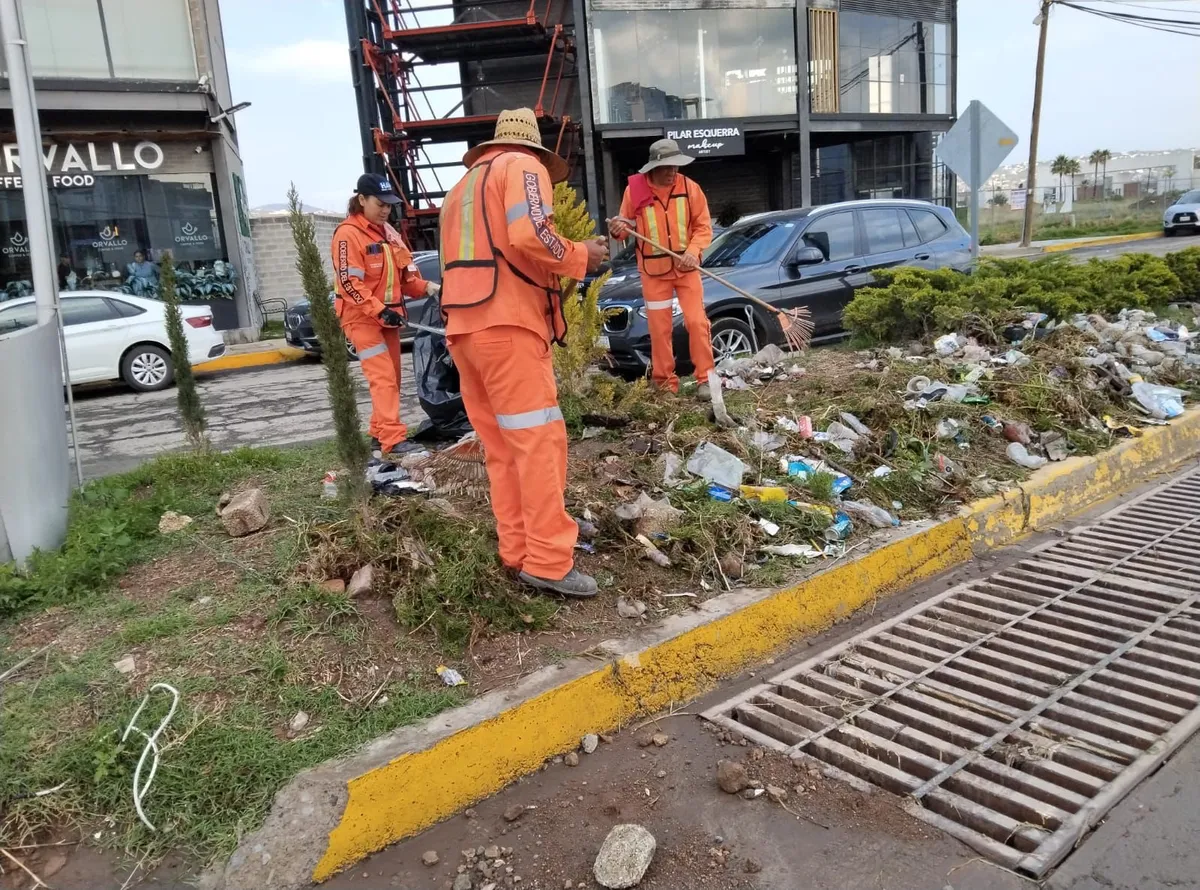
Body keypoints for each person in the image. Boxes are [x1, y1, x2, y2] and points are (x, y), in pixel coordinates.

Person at [438, 108, 608, 598]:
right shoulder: (523, 167)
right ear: (532, 148)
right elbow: (529, 233)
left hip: (465, 331)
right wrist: (581, 255)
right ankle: (551, 563)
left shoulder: (462, 189)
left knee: (503, 449)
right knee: (539, 445)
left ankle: (517, 553)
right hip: (507, 325)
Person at [331, 172, 439, 458]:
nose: (386, 210)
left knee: (391, 379)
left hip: (387, 318)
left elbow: (406, 280)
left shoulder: (388, 234)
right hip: (362, 318)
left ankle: (379, 434)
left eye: (389, 205)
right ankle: (393, 440)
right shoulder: (348, 234)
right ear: (361, 199)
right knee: (383, 379)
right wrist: (380, 310)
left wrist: (432, 288)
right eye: (380, 204)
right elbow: (348, 284)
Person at [608, 139, 715, 397]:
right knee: (659, 328)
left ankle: (706, 381)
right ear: (654, 167)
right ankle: (665, 383)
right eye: (667, 167)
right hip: (654, 272)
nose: (673, 172)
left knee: (697, 322)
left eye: (675, 166)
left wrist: (693, 251)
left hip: (686, 269)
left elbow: (703, 227)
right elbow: (624, 230)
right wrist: (618, 230)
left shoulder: (691, 189)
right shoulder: (635, 191)